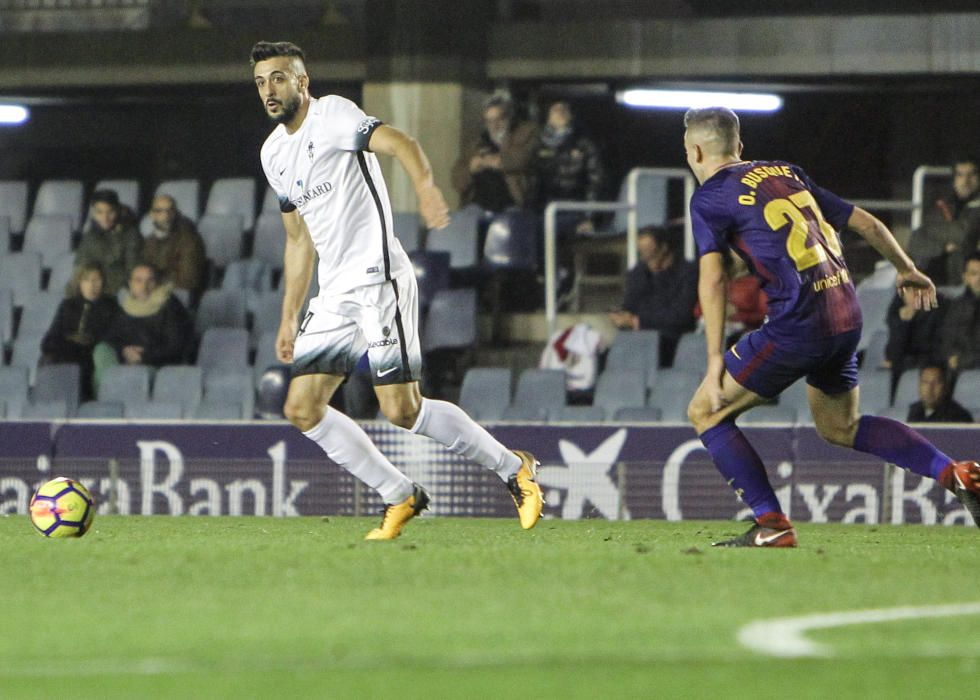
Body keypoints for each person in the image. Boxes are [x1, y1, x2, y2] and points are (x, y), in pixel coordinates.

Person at [251, 41, 542, 540]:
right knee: (302, 407)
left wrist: (427, 190)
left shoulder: (335, 115)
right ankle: (399, 494)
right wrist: (288, 315)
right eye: (260, 82)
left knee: (402, 410)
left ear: (303, 81)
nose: (269, 90)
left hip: (379, 276)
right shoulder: (273, 153)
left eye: (279, 78)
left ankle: (512, 467)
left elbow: (404, 143)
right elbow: (298, 240)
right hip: (335, 292)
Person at [682, 106, 980, 546]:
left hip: (798, 323)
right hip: (845, 312)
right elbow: (867, 223)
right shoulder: (784, 172)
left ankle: (771, 525)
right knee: (841, 426)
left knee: (705, 411)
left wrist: (713, 363)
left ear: (695, 150)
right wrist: (906, 268)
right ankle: (955, 473)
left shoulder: (709, 198)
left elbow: (713, 277)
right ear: (740, 147)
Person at [93, 263, 192, 391]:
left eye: (150, 280)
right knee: (101, 350)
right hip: (125, 361)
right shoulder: (126, 305)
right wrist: (124, 350)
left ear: (157, 283)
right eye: (138, 280)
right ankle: (110, 391)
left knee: (113, 377)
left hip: (155, 365)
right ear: (130, 284)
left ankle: (110, 393)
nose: (144, 286)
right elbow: (111, 337)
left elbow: (176, 346)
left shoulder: (170, 305)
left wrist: (144, 356)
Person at [608, 226, 698, 367]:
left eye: (650, 252)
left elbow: (681, 316)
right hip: (641, 339)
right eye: (642, 253)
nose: (645, 258)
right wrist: (622, 317)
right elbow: (630, 305)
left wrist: (638, 321)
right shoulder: (640, 273)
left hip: (672, 339)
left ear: (663, 248)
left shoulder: (688, 273)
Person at [40, 262, 119, 400]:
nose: (92, 285)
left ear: (103, 282)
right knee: (48, 359)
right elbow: (49, 339)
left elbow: (109, 337)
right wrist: (70, 342)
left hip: (89, 355)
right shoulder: (68, 305)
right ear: (79, 283)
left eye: (96, 280)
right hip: (66, 352)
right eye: (86, 280)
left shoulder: (110, 306)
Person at [451, 92, 538, 213]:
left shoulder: (525, 133)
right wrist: (470, 169)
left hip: (511, 204)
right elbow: (457, 178)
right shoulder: (476, 142)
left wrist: (488, 161)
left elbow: (520, 159)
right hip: (477, 206)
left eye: (499, 119)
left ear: (509, 117)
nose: (494, 126)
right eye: (489, 121)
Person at [532, 100, 604, 235]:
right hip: (545, 211)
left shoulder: (584, 144)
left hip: (575, 210)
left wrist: (590, 217)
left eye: (564, 109)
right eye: (555, 110)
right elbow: (534, 181)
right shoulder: (539, 144)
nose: (560, 113)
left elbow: (595, 182)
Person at [908, 155, 980, 286]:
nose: (966, 181)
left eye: (972, 175)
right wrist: (944, 248)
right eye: (960, 175)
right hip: (937, 279)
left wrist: (938, 233)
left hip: (969, 283)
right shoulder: (942, 204)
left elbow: (964, 235)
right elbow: (916, 241)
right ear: (954, 179)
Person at [74, 189, 143, 295]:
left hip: (120, 293)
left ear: (118, 210)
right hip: (93, 292)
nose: (105, 218)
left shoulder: (131, 235)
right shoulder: (89, 236)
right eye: (99, 212)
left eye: (110, 212)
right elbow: (80, 269)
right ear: (93, 212)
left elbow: (133, 272)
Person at [141, 194, 207, 303]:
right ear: (152, 215)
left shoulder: (190, 240)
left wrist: (152, 282)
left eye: (169, 211)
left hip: (177, 297)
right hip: (153, 293)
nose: (165, 215)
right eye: (159, 211)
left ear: (176, 213)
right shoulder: (150, 240)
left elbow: (188, 280)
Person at [940, 251, 980, 373]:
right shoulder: (955, 307)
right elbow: (947, 344)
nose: (979, 279)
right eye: (974, 274)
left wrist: (963, 360)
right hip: (962, 373)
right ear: (965, 277)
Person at [907, 365, 973, 424]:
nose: (930, 388)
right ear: (919, 386)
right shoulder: (915, 411)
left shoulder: (958, 416)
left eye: (936, 383)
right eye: (925, 382)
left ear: (945, 387)